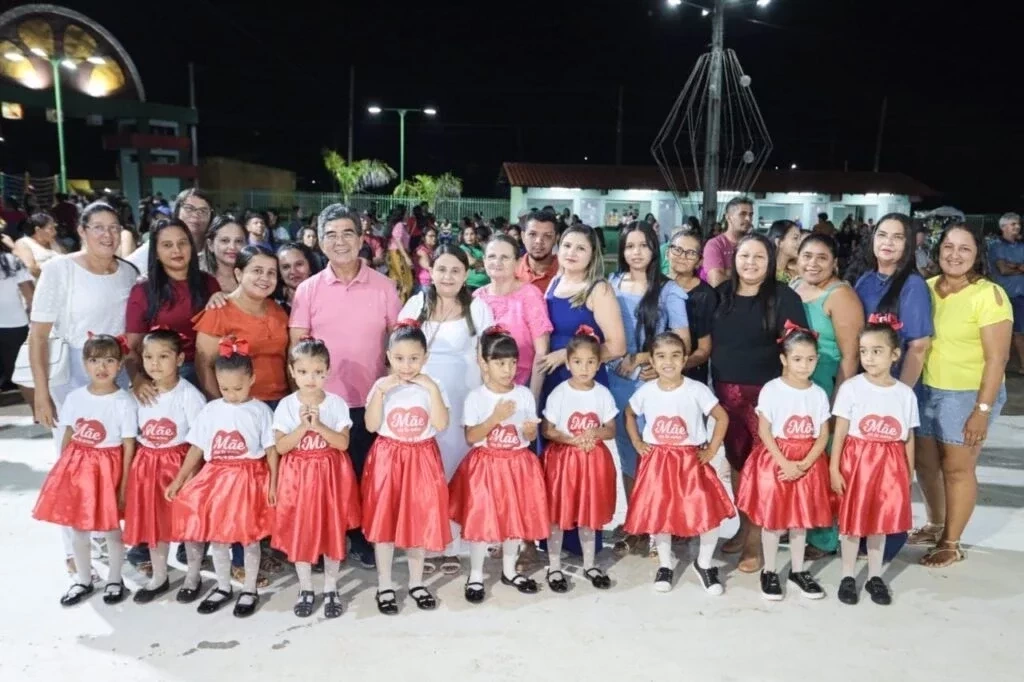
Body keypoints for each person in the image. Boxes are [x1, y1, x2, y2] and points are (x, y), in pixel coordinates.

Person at [289, 204, 402, 568]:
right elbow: (296, 345)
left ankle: (363, 537)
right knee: (325, 479)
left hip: (370, 400)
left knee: (365, 473)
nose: (340, 241)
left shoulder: (384, 286)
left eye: (347, 233)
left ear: (361, 236)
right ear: (320, 242)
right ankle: (326, 536)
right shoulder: (308, 290)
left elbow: (397, 342)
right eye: (331, 234)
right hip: (323, 403)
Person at [915, 223, 1012, 568]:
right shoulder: (925, 289)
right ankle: (936, 523)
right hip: (925, 388)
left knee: (957, 469)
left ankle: (951, 543)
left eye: (964, 249)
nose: (955, 255)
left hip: (967, 394)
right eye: (949, 247)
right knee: (925, 464)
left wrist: (981, 410)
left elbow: (998, 358)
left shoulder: (989, 295)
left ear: (976, 255)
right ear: (938, 251)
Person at [711, 233, 809, 572]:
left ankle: (755, 544)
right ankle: (742, 526)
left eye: (759, 257)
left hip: (766, 399)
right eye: (744, 256)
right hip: (727, 396)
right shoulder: (721, 295)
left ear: (770, 263)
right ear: (734, 259)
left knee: (762, 470)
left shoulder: (784, 298)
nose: (750, 263)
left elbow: (800, 348)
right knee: (737, 465)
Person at [165, 337, 275, 617]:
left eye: (237, 388)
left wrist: (274, 481)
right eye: (224, 388)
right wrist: (179, 480)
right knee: (218, 538)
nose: (231, 394)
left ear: (252, 378)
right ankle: (223, 585)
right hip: (215, 479)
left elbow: (271, 450)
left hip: (247, 479)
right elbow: (197, 447)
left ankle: (249, 588)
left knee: (249, 538)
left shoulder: (260, 411)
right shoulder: (211, 410)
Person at [400, 245, 493, 572]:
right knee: (425, 472)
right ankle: (424, 542)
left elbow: (488, 357)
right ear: (431, 271)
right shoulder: (417, 304)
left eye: (456, 270)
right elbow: (400, 348)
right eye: (442, 269)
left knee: (457, 469)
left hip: (464, 398)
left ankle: (454, 544)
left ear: (466, 274)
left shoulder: (478, 308)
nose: (448, 276)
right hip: (421, 400)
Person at [622, 331, 733, 594]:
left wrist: (712, 449)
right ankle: (665, 563)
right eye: (661, 356)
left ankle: (704, 563)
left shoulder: (697, 389)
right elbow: (628, 414)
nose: (668, 362)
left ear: (684, 359)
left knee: (708, 514)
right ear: (652, 359)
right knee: (662, 514)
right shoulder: (646, 391)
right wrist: (638, 443)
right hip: (658, 461)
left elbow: (722, 417)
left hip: (690, 460)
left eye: (675, 356)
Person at [32, 334, 138, 606]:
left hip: (107, 470)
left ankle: (116, 579)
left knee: (111, 529)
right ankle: (83, 579)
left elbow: (128, 446)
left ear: (120, 365)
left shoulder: (123, 402)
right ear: (84, 363)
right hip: (78, 470)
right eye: (94, 360)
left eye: (109, 360)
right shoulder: (75, 397)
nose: (101, 367)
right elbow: (68, 435)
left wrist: (124, 484)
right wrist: (63, 474)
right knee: (79, 529)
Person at [450, 327, 549, 603]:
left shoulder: (525, 395)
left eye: (513, 362)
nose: (508, 369)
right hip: (487, 466)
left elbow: (528, 437)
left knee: (513, 519)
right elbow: (471, 437)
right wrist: (495, 417)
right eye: (500, 363)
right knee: (482, 521)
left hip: (517, 465)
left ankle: (509, 570)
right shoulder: (477, 398)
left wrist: (529, 432)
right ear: (485, 363)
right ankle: (476, 574)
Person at [735, 325, 832, 600]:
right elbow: (764, 430)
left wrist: (806, 463)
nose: (804, 365)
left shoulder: (818, 394)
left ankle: (799, 571)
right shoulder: (772, 390)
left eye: (811, 359)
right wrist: (785, 463)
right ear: (784, 360)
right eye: (797, 359)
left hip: (807, 462)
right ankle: (770, 570)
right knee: (774, 521)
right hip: (777, 460)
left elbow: (823, 433)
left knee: (800, 521)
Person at [363, 321, 452, 614]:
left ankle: (416, 582)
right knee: (385, 523)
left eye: (414, 358)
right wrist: (381, 393)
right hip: (389, 457)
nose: (406, 365)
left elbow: (440, 424)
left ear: (425, 357)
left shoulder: (432, 386)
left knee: (418, 521)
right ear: (388, 356)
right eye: (399, 358)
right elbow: (372, 425)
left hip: (422, 458)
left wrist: (431, 389)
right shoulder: (381, 386)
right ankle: (385, 583)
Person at [830, 315, 919, 606]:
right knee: (852, 522)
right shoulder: (852, 388)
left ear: (895, 354)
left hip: (890, 465)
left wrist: (908, 472)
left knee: (879, 523)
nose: (869, 358)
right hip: (858, 462)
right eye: (864, 351)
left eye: (877, 351)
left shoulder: (905, 395)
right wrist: (834, 467)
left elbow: (907, 437)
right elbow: (840, 431)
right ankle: (846, 575)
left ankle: (874, 576)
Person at [271, 338, 360, 618]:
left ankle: (331, 587)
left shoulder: (335, 404)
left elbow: (343, 444)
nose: (311, 379)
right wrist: (302, 426)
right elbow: (282, 447)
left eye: (318, 372)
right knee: (302, 532)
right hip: (298, 478)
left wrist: (319, 425)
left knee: (332, 530)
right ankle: (306, 587)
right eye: (304, 372)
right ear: (292, 372)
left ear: (327, 372)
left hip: (330, 476)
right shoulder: (286, 405)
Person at [123, 329, 207, 603]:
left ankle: (194, 576)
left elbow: (199, 440)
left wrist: (185, 476)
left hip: (181, 464)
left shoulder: (189, 395)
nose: (155, 363)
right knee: (154, 524)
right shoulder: (138, 393)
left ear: (180, 359)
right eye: (148, 357)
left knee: (188, 524)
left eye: (163, 356)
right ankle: (159, 576)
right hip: (148, 465)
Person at [608, 222, 690, 499]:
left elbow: (684, 343)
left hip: (652, 382)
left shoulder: (669, 291)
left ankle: (658, 520)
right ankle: (635, 522)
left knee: (656, 451)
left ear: (655, 249)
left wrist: (646, 358)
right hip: (616, 381)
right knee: (626, 450)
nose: (636, 252)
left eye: (643, 245)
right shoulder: (612, 284)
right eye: (630, 246)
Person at [541, 325, 617, 591]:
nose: (584, 368)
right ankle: (554, 567)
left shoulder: (602, 394)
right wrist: (570, 439)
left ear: (598, 364)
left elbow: (611, 429)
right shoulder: (560, 393)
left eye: (590, 362)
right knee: (557, 515)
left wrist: (594, 432)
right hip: (563, 462)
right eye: (577, 362)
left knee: (588, 513)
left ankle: (589, 564)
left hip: (592, 462)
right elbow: (547, 429)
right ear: (568, 363)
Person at [125, 220, 220, 393]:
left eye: (182, 243)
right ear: (156, 252)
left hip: (208, 372)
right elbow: (132, 347)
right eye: (167, 245)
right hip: (163, 374)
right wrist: (137, 379)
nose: (177, 250)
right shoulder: (143, 290)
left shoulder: (209, 283)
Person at [193, 246, 289, 407]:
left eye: (271, 273)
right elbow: (203, 365)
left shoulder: (279, 310)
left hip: (281, 404)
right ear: (239, 274)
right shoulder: (218, 311)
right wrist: (220, 407)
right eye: (257, 271)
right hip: (240, 405)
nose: (265, 278)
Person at [854, 213, 933, 392]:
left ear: (908, 245)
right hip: (865, 382)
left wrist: (899, 395)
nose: (888, 242)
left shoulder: (913, 285)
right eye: (882, 235)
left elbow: (918, 347)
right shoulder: (865, 279)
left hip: (894, 384)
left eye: (897, 237)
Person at [474, 235, 552, 396]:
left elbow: (541, 352)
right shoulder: (477, 297)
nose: (497, 262)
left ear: (517, 263)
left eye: (505, 257)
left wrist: (533, 399)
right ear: (484, 260)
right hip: (481, 389)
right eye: (492, 256)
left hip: (521, 386)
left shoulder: (529, 295)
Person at [667, 229, 715, 383]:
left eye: (690, 253)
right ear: (668, 252)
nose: (682, 257)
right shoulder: (654, 286)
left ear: (699, 261)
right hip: (651, 373)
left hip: (689, 376)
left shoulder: (706, 296)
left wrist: (673, 368)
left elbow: (704, 350)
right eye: (677, 250)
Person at [127, 189, 214, 271]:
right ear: (177, 211)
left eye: (203, 211)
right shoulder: (161, 241)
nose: (195, 215)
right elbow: (129, 267)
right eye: (189, 208)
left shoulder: (216, 244)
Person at [987, 212, 1024, 372]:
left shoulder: (1022, 246)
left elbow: (1008, 267)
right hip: (1003, 295)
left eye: (1018, 224)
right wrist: (1020, 267)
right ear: (1003, 227)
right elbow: (1002, 269)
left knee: (1019, 332)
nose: (1017, 227)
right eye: (1013, 224)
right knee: (1007, 334)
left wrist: (1012, 266)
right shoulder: (996, 246)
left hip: (1020, 294)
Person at [0, 237, 32, 390]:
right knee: (22, 374)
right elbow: (30, 294)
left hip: (14, 324)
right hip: (15, 324)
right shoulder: (12, 261)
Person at [703, 196, 753, 287]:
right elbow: (716, 282)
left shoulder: (755, 245)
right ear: (728, 217)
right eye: (742, 214)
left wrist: (728, 272)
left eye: (750, 215)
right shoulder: (715, 244)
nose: (748, 219)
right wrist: (748, 275)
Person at [516, 209, 559, 293]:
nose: (539, 241)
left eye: (547, 236)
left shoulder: (566, 272)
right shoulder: (512, 270)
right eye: (532, 234)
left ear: (556, 239)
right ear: (523, 236)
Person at [204, 215, 247, 294]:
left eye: (238, 241)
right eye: (225, 240)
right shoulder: (200, 281)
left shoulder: (253, 278)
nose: (232, 247)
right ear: (210, 245)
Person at [13, 212, 63, 279]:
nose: (55, 232)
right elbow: (32, 270)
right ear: (38, 230)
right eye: (51, 228)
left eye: (54, 227)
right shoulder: (24, 243)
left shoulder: (53, 242)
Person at [276, 242, 321, 311]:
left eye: (299, 264)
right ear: (279, 273)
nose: (293, 271)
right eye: (286, 267)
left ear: (310, 267)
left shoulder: (326, 298)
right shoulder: (273, 304)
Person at [768, 219, 802, 284]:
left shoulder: (796, 273)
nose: (800, 243)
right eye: (795, 238)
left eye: (800, 238)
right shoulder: (765, 273)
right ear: (779, 242)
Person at [459, 222, 489, 291]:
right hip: (471, 285)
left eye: (472, 234)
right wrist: (485, 263)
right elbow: (471, 262)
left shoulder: (479, 248)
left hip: (486, 284)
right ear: (463, 236)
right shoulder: (462, 248)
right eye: (466, 234)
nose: (469, 237)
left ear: (476, 235)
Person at [414, 226, 438, 292]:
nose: (434, 238)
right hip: (423, 285)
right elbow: (429, 266)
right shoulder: (421, 251)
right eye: (431, 236)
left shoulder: (433, 250)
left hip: (432, 284)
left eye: (435, 236)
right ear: (423, 238)